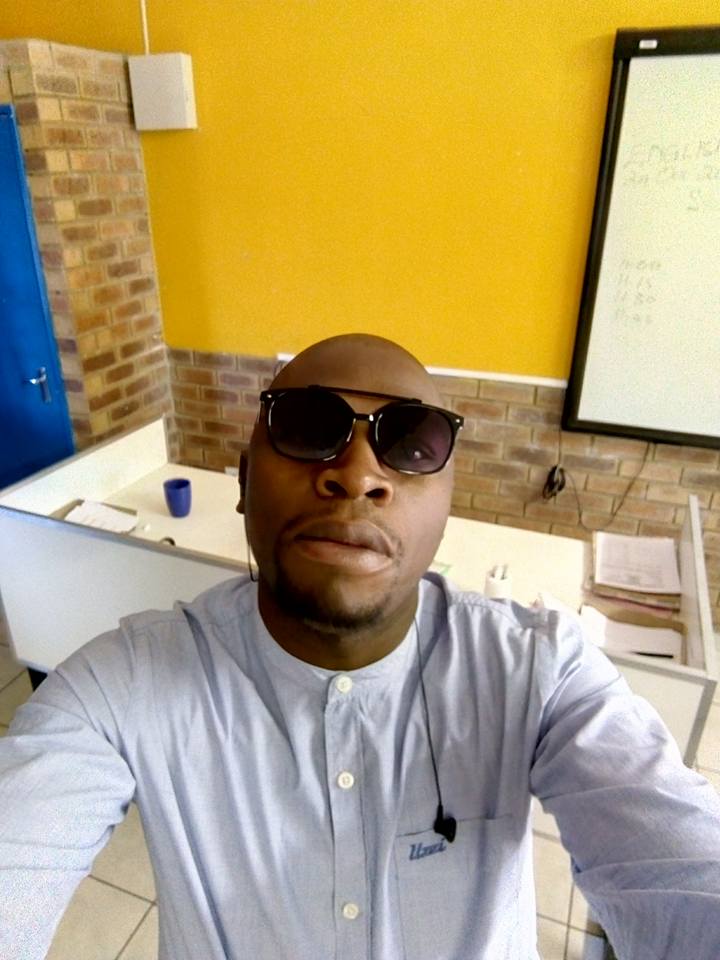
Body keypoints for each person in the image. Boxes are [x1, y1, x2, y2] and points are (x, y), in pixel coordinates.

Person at [1, 333, 719, 960]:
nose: (358, 473)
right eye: (307, 427)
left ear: (448, 507)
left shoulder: (541, 672)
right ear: (244, 482)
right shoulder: (118, 689)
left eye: (412, 445)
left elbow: (685, 871)